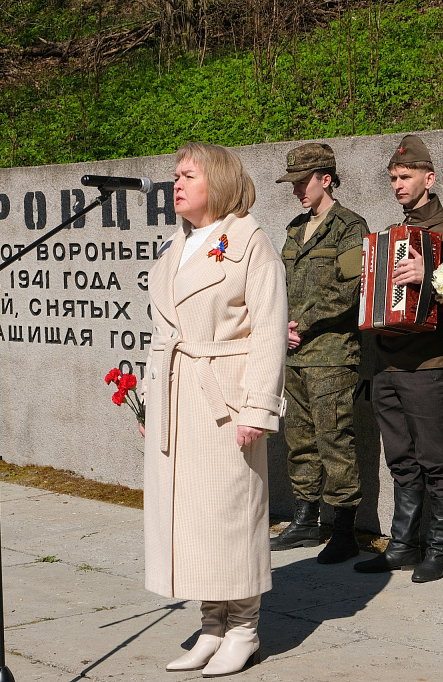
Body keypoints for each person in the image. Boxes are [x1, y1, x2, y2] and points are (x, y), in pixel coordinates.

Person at [139, 142, 287, 676]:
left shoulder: (250, 242)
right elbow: (164, 336)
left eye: (187, 175)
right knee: (194, 520)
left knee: (230, 517)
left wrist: (257, 407)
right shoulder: (175, 248)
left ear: (218, 181)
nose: (175, 184)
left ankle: (244, 628)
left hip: (224, 400)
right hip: (178, 402)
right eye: (174, 175)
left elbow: (269, 331)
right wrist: (151, 403)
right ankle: (211, 626)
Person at [353, 135, 443, 583]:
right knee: (400, 457)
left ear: (429, 177)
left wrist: (432, 276)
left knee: (436, 460)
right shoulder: (390, 234)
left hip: (428, 364)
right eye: (393, 178)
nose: (398, 185)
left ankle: (439, 548)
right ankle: (402, 544)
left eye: (405, 177)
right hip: (386, 363)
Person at [272, 142, 369, 564]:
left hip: (331, 354)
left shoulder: (350, 227)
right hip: (293, 354)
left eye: (301, 182)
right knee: (299, 441)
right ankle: (306, 519)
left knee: (335, 442)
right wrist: (280, 326)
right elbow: (279, 286)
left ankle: (344, 529)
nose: (296, 190)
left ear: (325, 179)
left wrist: (302, 325)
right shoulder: (295, 228)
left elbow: (348, 291)